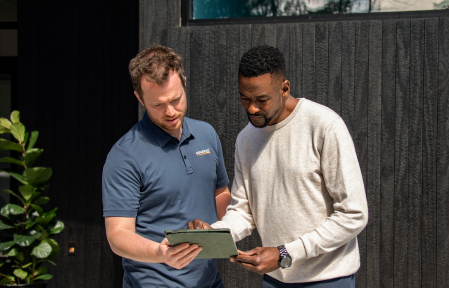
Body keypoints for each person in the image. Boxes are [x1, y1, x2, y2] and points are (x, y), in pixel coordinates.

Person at [190, 45, 369, 288]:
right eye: (245, 98)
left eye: (261, 99)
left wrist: (285, 253)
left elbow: (354, 214)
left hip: (328, 279)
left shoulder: (324, 126)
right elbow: (243, 212)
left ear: (284, 88)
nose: (252, 108)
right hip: (275, 279)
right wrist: (213, 234)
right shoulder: (246, 139)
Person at [102, 45, 231, 287]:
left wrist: (219, 230)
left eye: (176, 99)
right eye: (158, 105)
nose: (170, 112)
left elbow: (221, 193)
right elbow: (118, 235)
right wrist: (160, 253)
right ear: (139, 98)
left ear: (184, 81)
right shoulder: (125, 155)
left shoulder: (207, 134)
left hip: (210, 281)